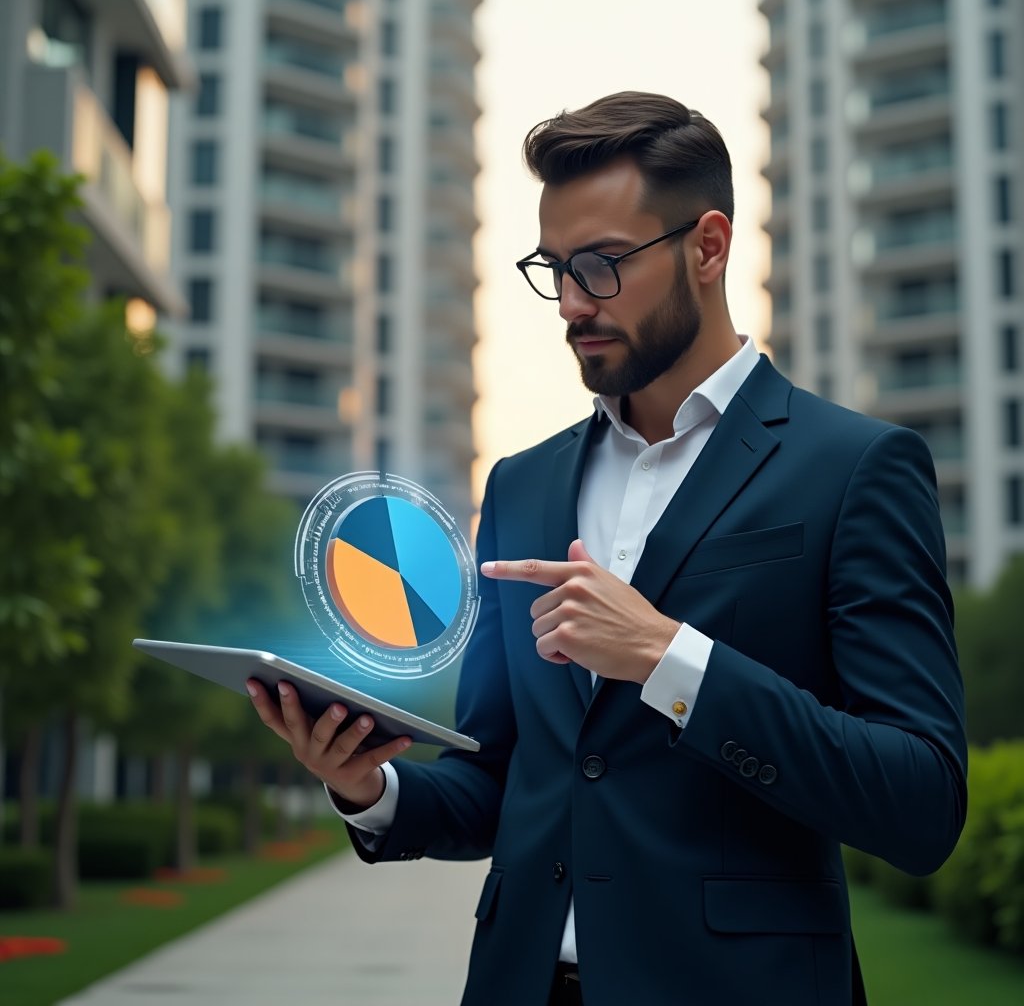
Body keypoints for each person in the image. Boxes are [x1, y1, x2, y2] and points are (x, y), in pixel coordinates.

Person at [248, 92, 967, 1006]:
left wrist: (672, 660)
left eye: (602, 266)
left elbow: (921, 803)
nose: (573, 304)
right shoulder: (521, 484)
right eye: (554, 270)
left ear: (708, 247)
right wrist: (370, 785)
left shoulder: (855, 469)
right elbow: (503, 776)